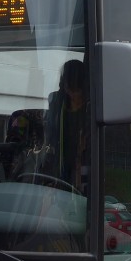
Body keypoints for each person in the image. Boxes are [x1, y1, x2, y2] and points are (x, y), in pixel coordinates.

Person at [44, 60, 90, 191]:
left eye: (76, 90)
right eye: (69, 89)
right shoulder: (56, 104)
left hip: (84, 168)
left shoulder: (92, 109)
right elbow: (49, 137)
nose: (73, 95)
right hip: (59, 169)